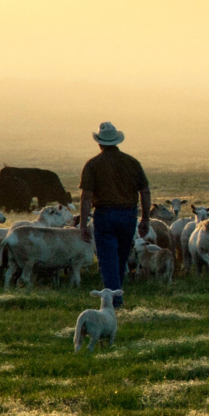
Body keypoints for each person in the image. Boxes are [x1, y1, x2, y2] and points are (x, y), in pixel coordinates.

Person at [79, 121, 150, 309]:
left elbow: (86, 196)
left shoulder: (93, 164)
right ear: (117, 141)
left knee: (107, 259)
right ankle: (116, 296)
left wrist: (83, 224)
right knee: (121, 257)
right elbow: (144, 191)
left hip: (104, 216)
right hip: (128, 216)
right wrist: (145, 218)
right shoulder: (132, 162)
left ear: (99, 142)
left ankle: (115, 302)